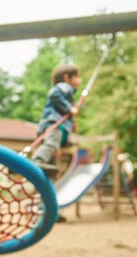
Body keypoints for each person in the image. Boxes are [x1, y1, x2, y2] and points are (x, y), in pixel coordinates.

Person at [31, 64, 81, 223]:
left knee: (49, 177)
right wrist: (70, 109)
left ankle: (48, 210)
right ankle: (38, 161)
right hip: (53, 125)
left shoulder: (68, 91)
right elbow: (54, 95)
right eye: (77, 77)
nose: (79, 80)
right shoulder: (63, 87)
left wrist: (72, 121)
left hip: (57, 126)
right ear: (67, 77)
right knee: (50, 146)